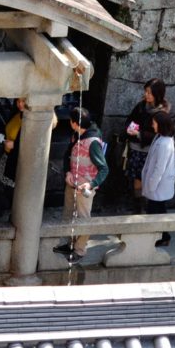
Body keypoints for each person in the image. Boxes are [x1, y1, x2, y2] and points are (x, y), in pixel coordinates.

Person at [53, 108, 108, 263]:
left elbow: (104, 168)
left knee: (84, 219)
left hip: (84, 188)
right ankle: (70, 244)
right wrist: (68, 173)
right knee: (68, 215)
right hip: (72, 183)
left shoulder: (93, 142)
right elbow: (67, 156)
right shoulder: (77, 135)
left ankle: (80, 250)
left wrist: (91, 185)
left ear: (75, 123)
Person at [125, 78, 171, 212]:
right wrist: (129, 128)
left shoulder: (163, 112)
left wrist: (139, 134)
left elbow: (162, 134)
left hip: (151, 151)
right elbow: (130, 120)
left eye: (150, 93)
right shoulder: (141, 106)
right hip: (136, 149)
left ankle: (149, 208)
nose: (147, 95)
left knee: (150, 180)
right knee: (137, 180)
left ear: (158, 94)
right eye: (146, 91)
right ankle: (138, 208)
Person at [142, 111, 175, 247]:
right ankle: (161, 235)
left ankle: (161, 236)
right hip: (158, 184)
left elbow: (159, 168)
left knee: (156, 211)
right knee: (158, 210)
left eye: (154, 122)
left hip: (158, 185)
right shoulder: (161, 138)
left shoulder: (164, 143)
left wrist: (151, 185)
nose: (152, 124)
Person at [0, 98, 25, 219]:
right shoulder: (16, 114)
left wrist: (15, 145)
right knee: (1, 185)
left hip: (18, 160)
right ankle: (0, 211)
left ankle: (14, 215)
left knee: (12, 189)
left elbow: (33, 142)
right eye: (18, 101)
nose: (20, 104)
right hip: (7, 156)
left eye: (23, 101)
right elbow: (6, 127)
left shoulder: (30, 119)